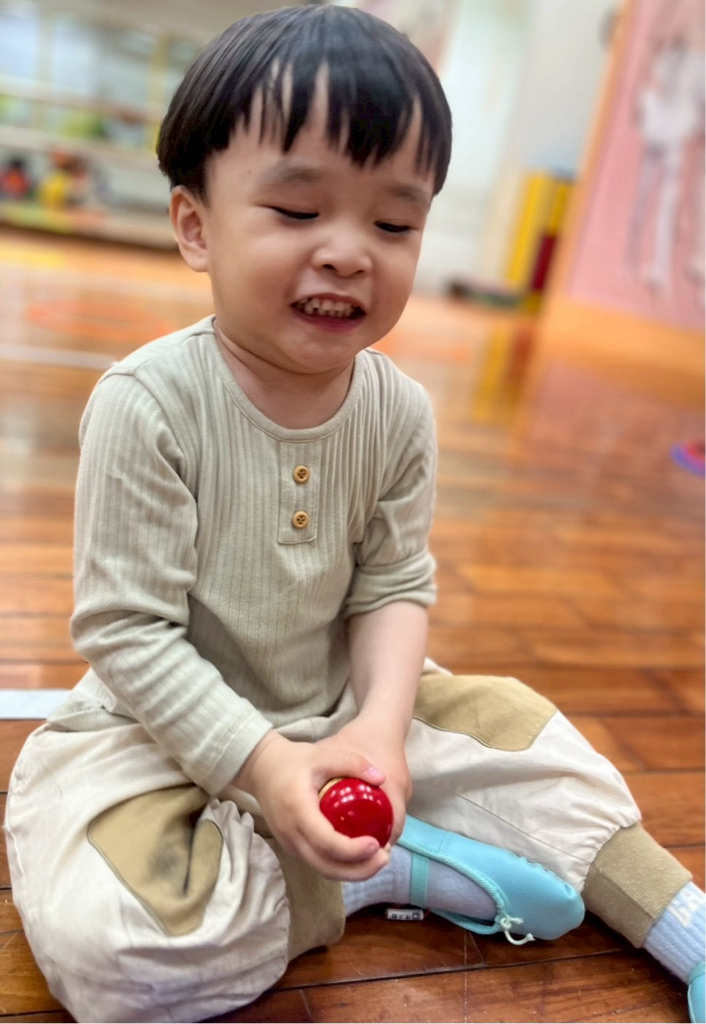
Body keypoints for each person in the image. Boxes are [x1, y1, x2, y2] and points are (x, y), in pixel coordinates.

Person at [4, 7, 704, 1023]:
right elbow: (128, 634)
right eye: (297, 210)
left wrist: (379, 731)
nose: (347, 253)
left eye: (393, 224)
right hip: (161, 732)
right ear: (196, 225)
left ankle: (686, 927)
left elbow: (394, 584)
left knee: (563, 767)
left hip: (344, 704)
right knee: (113, 948)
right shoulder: (146, 404)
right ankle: (375, 873)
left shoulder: (399, 411)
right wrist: (267, 768)